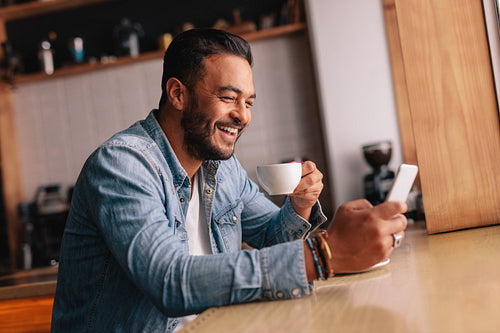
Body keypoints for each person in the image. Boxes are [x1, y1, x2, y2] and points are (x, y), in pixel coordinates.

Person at [51, 28, 408, 332]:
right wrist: (326, 254)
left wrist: (298, 206)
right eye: (228, 98)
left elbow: (270, 239)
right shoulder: (123, 165)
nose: (242, 116)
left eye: (249, 102)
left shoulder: (221, 168)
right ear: (177, 94)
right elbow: (170, 282)